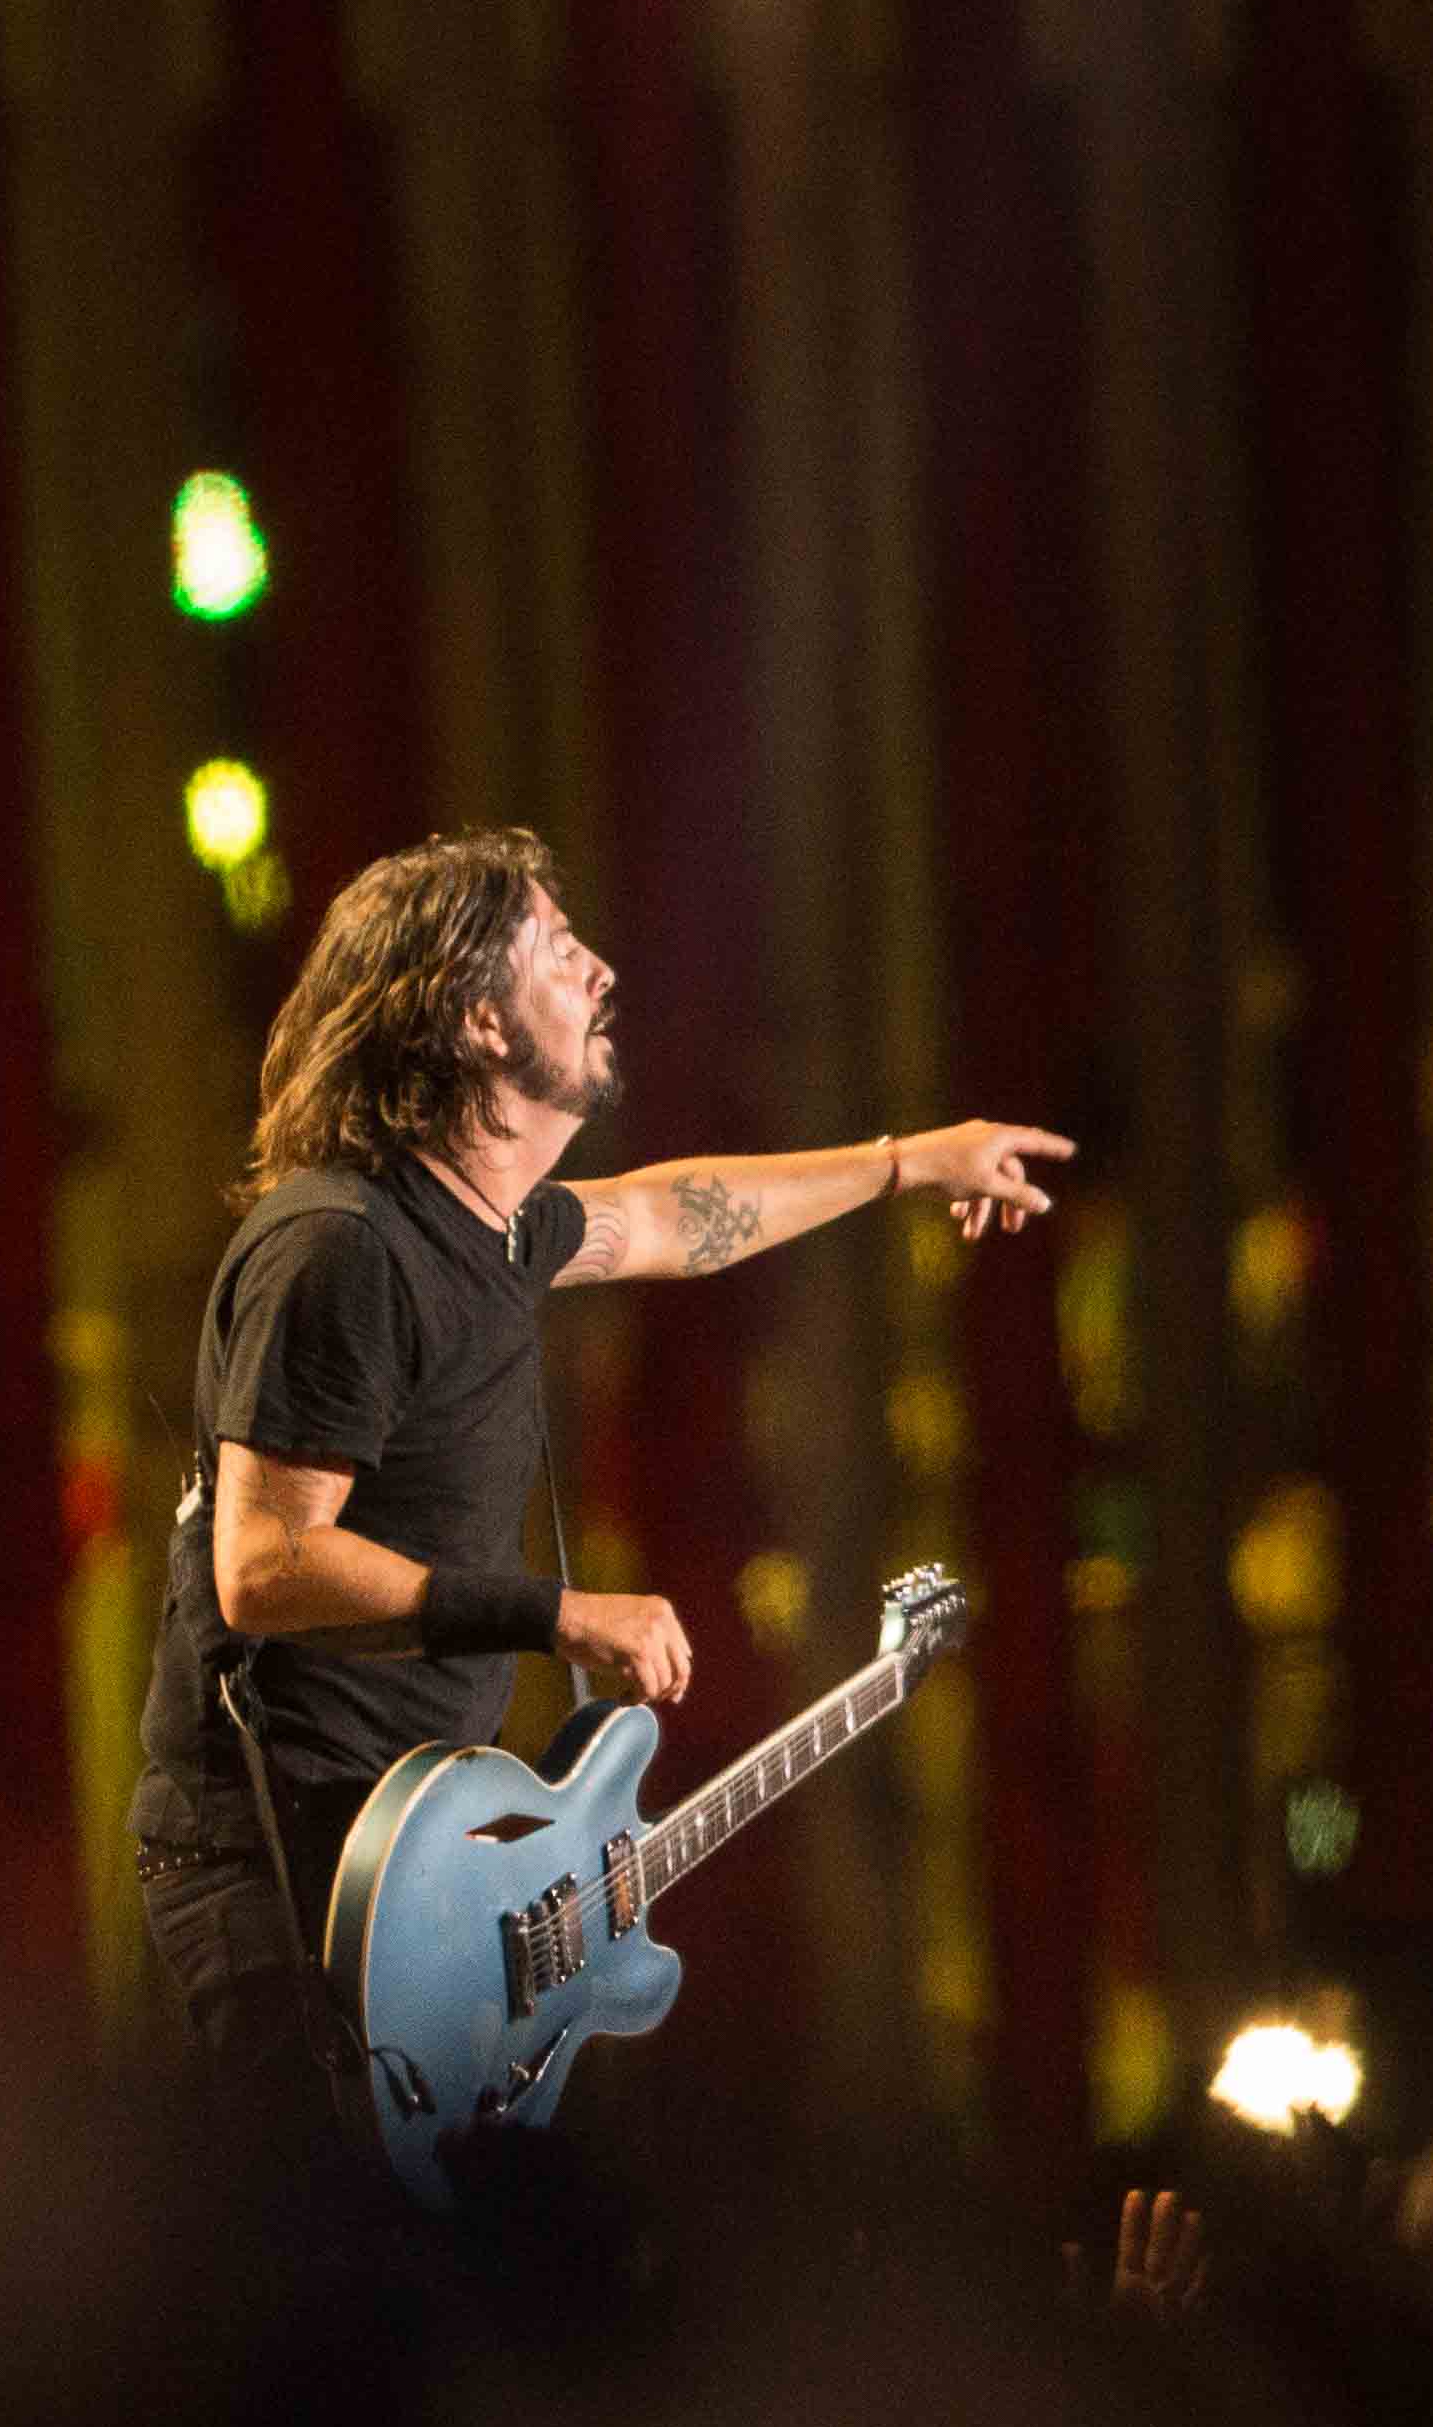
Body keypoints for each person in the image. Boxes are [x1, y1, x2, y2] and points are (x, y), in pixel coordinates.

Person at [127, 828, 1066, 2122]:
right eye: (559, 954)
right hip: (285, 1862)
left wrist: (908, 1163)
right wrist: (555, 1613)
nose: (602, 973)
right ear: (475, 1017)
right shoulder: (340, 1249)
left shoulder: (498, 1231)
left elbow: (677, 1216)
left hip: (417, 1851)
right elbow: (265, 1567)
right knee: (328, 2225)